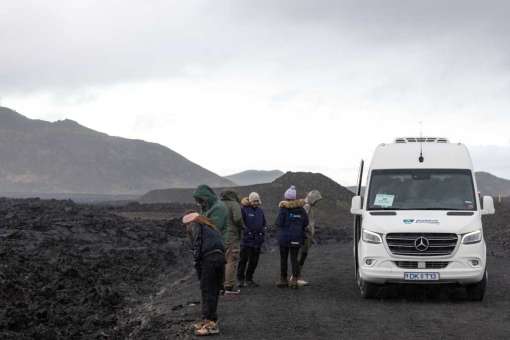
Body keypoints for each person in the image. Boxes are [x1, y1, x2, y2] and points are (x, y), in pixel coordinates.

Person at [182, 212, 225, 337]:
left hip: (210, 260)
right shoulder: (209, 227)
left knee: (208, 291)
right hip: (219, 259)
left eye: (186, 225)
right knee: (213, 290)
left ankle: (210, 324)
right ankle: (210, 320)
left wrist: (198, 264)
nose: (186, 228)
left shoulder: (196, 226)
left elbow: (197, 246)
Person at [275, 185, 309, 289]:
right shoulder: (301, 210)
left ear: (286, 198)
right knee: (294, 259)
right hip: (297, 238)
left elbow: (278, 223)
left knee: (283, 258)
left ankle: (283, 280)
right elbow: (306, 222)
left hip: (284, 238)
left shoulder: (283, 209)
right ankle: (294, 280)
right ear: (294, 198)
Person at [237, 192, 267, 288]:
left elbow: (264, 222)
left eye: (257, 201)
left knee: (254, 261)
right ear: (250, 201)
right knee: (243, 260)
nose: (256, 203)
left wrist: (263, 230)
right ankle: (240, 279)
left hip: (257, 240)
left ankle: (249, 279)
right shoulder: (244, 210)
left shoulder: (260, 211)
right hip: (247, 240)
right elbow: (241, 223)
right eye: (254, 201)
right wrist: (246, 232)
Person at [220, 190, 244, 294]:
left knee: (221, 260)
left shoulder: (218, 205)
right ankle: (228, 285)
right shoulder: (234, 204)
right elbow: (238, 218)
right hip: (231, 235)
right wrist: (242, 226)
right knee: (231, 260)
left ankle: (219, 284)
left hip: (219, 235)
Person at [296, 190, 322, 286]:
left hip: (307, 235)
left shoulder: (310, 206)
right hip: (305, 236)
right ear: (312, 198)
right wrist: (307, 231)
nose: (316, 202)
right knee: (302, 255)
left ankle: (297, 276)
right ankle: (296, 276)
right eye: (316, 200)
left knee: (303, 255)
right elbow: (303, 221)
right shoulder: (306, 206)